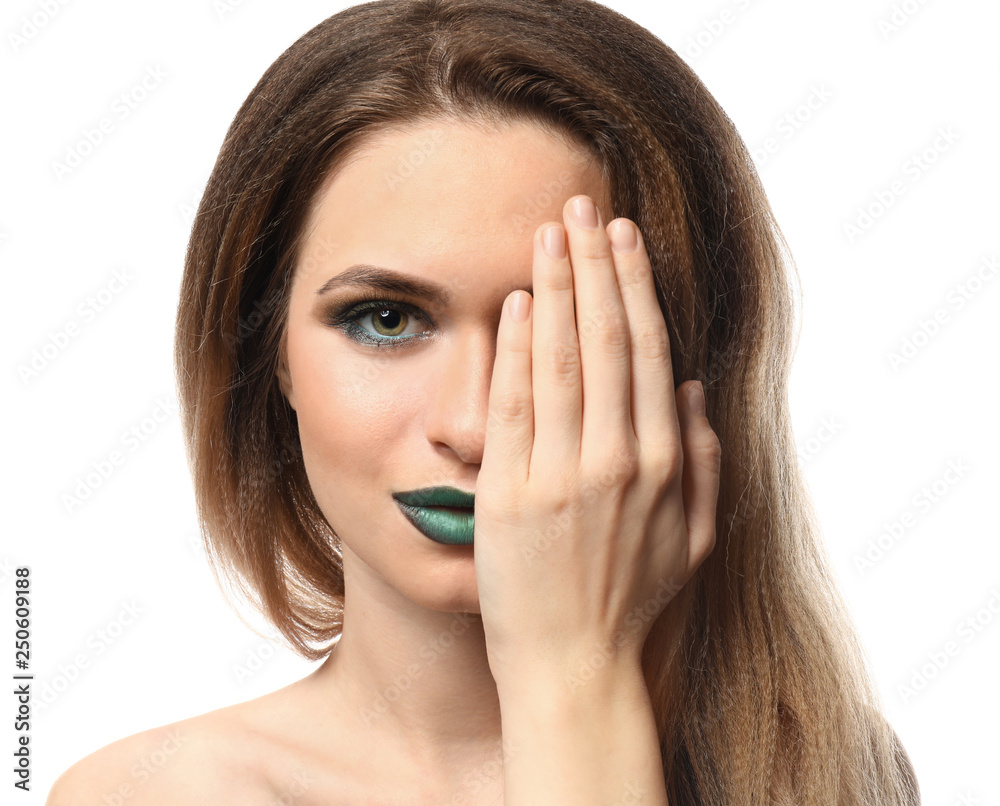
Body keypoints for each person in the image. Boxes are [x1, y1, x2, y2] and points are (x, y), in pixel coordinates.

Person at [47, 0, 920, 803]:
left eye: (559, 334)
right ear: (264, 351)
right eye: (384, 320)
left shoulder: (838, 777)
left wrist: (569, 679)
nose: (471, 427)